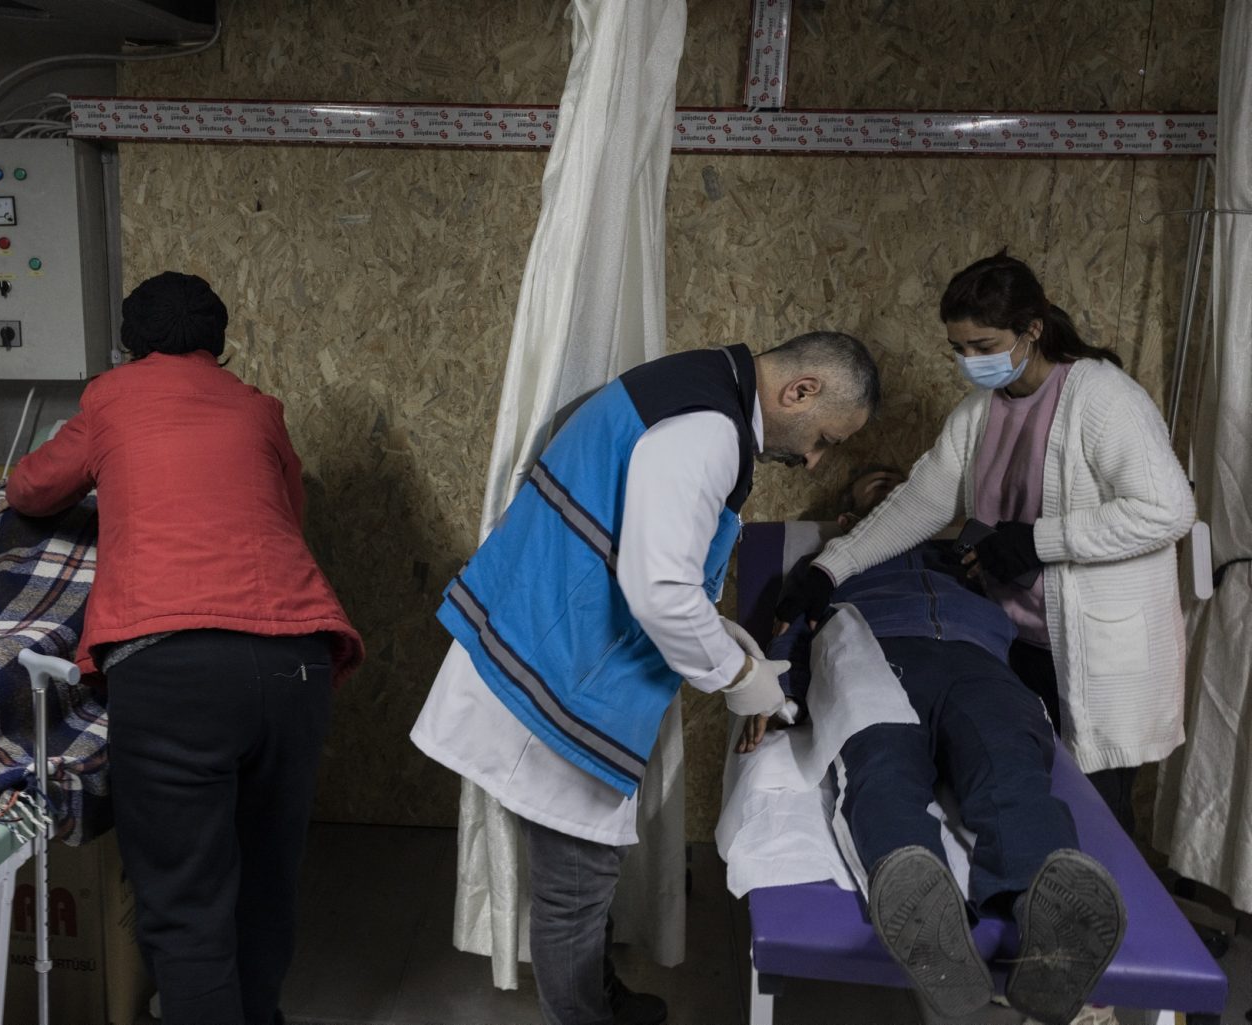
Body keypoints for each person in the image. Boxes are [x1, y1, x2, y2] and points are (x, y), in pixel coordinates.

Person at [411, 332, 881, 1025]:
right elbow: (660, 591)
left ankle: (597, 996)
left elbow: (645, 553)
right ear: (800, 391)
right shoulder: (709, 429)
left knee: (584, 872)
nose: (813, 459)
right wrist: (738, 676)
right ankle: (586, 1014)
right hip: (560, 672)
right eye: (824, 440)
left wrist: (731, 642)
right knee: (576, 885)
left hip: (547, 643)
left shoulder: (695, 387)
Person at [5, 271, 363, 1025]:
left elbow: (32, 488)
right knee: (265, 889)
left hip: (174, 671)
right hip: (294, 661)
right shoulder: (258, 408)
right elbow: (288, 513)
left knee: (187, 906)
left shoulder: (111, 398)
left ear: (130, 343)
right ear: (218, 341)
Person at [777, 252, 1195, 832]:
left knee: (1096, 815)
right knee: (1027, 792)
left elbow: (1168, 511)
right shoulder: (981, 411)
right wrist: (830, 568)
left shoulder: (1103, 398)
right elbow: (920, 502)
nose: (971, 361)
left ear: (1033, 329)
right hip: (1015, 640)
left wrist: (1040, 541)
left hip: (1098, 652)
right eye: (959, 348)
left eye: (984, 345)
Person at [751, 468, 1125, 1025]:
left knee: (1010, 766)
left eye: (902, 482)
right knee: (883, 767)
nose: (893, 483)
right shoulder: (826, 563)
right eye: (876, 483)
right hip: (872, 652)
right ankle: (921, 902)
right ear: (848, 519)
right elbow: (790, 629)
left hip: (978, 660)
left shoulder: (966, 559)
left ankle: (1049, 924)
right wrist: (777, 692)